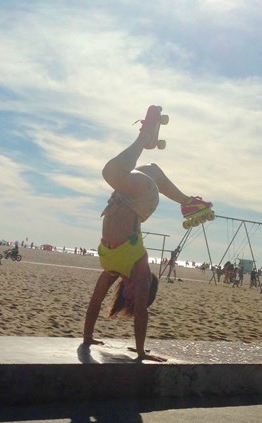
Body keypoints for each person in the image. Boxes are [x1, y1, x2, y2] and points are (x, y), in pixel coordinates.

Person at [83, 106, 213, 361]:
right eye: (135, 299)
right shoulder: (141, 271)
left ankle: (188, 202)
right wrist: (141, 353)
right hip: (140, 199)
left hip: (126, 196)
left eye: (129, 300)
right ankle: (145, 139)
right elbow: (142, 312)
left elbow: (95, 302)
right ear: (145, 290)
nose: (131, 298)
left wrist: (87, 337)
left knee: (151, 170)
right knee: (114, 172)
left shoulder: (111, 270)